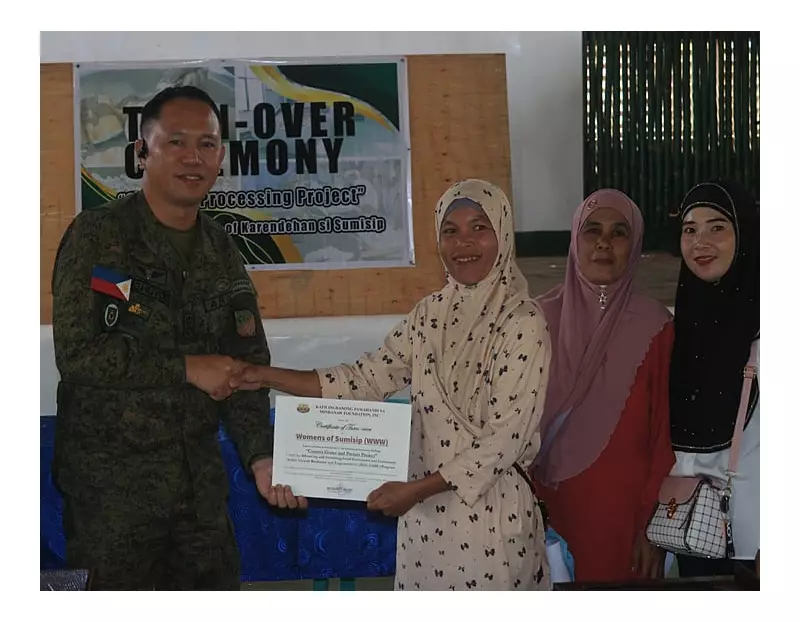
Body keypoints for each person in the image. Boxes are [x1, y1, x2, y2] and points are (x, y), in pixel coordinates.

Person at [236, 179, 552, 590]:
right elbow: (364, 379)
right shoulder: (429, 314)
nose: (464, 243)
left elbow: (504, 440)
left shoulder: (523, 321)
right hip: (426, 524)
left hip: (490, 514)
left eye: (480, 228)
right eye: (450, 231)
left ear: (504, 234)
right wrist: (267, 375)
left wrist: (418, 490)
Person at [51, 85, 296, 591]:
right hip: (112, 500)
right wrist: (186, 368)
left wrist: (260, 455)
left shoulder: (220, 247)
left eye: (207, 144)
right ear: (142, 154)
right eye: (176, 142)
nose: (193, 157)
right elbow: (78, 355)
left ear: (221, 156)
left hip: (198, 495)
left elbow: (244, 362)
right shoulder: (98, 237)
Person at [530, 189, 675, 583]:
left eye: (619, 232)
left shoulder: (656, 325)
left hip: (628, 519)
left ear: (636, 243)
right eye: (592, 230)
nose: (604, 243)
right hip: (547, 511)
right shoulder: (537, 321)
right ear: (575, 239)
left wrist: (653, 525)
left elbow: (666, 435)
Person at [668, 180, 760, 577]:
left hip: (754, 542)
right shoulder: (679, 328)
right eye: (690, 229)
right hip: (692, 529)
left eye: (717, 227)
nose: (700, 241)